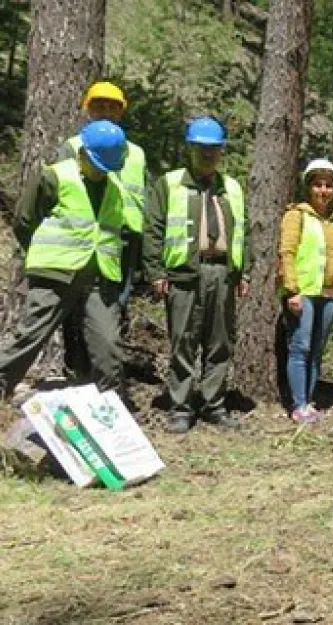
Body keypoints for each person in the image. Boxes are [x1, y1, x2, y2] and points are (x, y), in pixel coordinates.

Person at [0, 121, 132, 400]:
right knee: (30, 335)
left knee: (108, 344)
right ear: (82, 153)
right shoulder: (54, 177)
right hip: (55, 273)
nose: (101, 171)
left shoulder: (117, 189)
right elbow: (25, 221)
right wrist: (43, 256)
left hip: (98, 278)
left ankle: (109, 406)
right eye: (97, 164)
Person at [144, 117, 251, 433]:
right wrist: (155, 271)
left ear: (221, 151)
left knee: (220, 343)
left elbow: (243, 232)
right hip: (183, 274)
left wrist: (242, 272)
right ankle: (180, 407)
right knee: (183, 342)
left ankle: (214, 405)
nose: (208, 154)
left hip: (222, 273)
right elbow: (152, 230)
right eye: (202, 148)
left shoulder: (231, 187)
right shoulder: (169, 183)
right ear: (190, 148)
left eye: (214, 149)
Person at [57, 81, 147, 382]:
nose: (106, 111)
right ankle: (79, 372)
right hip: (84, 240)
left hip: (124, 240)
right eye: (99, 105)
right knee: (76, 308)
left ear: (121, 112)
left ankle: (106, 378)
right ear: (88, 109)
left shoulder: (135, 153)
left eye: (112, 106)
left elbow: (140, 196)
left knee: (115, 308)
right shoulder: (72, 147)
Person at [278, 159, 333, 424]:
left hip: (330, 295)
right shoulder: (296, 215)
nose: (323, 190)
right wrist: (292, 290)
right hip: (304, 292)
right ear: (309, 187)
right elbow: (287, 253)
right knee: (300, 347)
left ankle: (309, 401)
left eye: (329, 185)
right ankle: (298, 404)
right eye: (318, 185)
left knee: (316, 350)